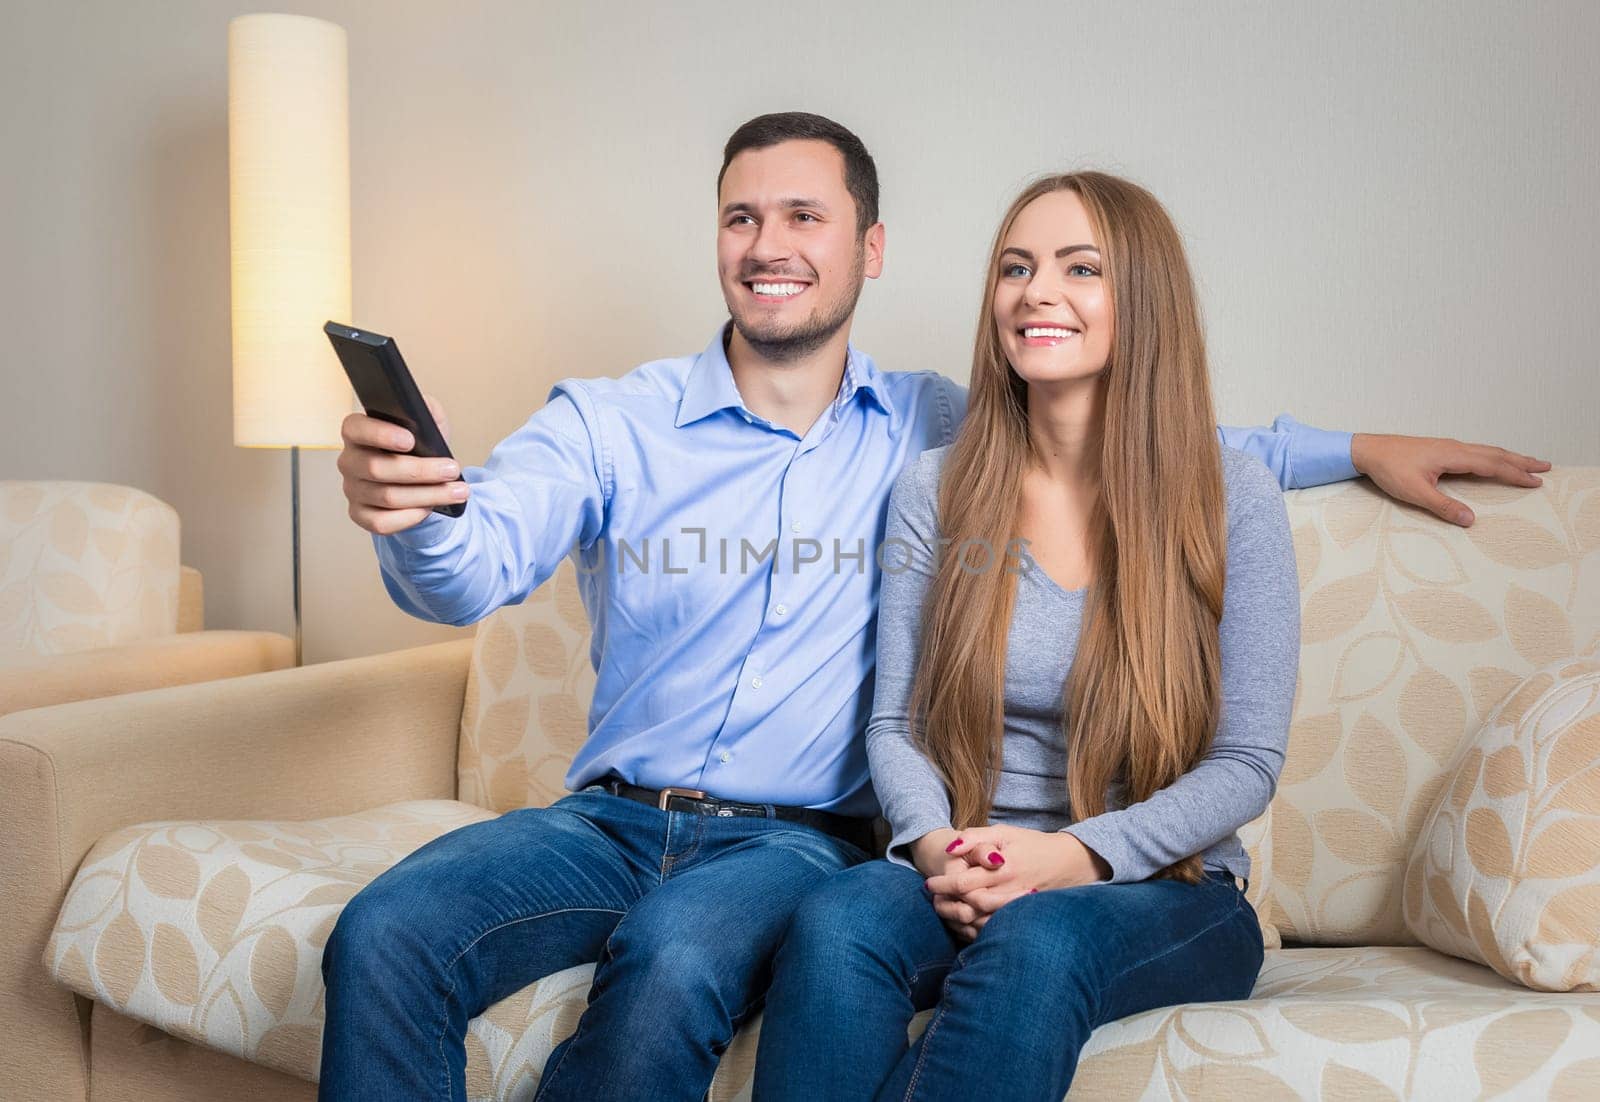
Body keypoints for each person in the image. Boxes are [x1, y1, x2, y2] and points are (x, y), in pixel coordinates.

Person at [321, 113, 1549, 1101]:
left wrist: (1359, 443)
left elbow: (1156, 443)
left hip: (831, 840)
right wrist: (418, 514)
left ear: (871, 248)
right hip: (620, 819)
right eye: (742, 216)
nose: (769, 243)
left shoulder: (953, 429)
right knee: (383, 933)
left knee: (685, 959)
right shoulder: (647, 424)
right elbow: (475, 563)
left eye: (804, 215)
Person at [752, 170, 1343, 1100]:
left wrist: (1073, 858)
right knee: (834, 923)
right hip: (971, 861)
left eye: (1081, 268)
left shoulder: (1234, 500)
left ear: (1141, 300)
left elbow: (1246, 764)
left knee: (1037, 935)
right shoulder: (938, 491)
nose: (1038, 293)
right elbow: (897, 726)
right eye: (1017, 267)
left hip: (1168, 890)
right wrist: (939, 848)